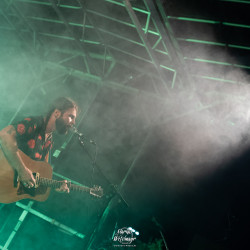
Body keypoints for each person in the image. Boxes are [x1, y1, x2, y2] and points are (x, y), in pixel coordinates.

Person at [0, 97, 78, 193]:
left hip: (10, 190)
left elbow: (37, 173)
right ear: (57, 113)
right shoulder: (35, 123)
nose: (73, 122)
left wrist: (55, 185)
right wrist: (22, 170)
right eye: (71, 117)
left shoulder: (49, 141)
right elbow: (4, 135)